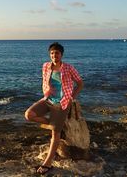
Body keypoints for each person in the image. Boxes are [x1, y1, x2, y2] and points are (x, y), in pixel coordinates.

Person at [24, 42, 83, 174]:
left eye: (56, 53)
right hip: (47, 100)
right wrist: (46, 92)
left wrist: (72, 97)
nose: (54, 55)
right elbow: (45, 82)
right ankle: (56, 125)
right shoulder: (45, 66)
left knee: (54, 135)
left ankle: (48, 163)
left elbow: (80, 83)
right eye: (52, 53)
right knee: (29, 115)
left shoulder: (68, 68)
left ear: (61, 54)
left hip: (62, 103)